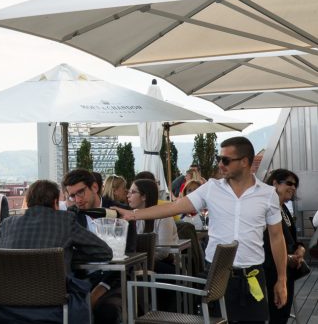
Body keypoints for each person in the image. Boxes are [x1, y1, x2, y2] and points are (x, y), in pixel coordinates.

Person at [113, 136, 288, 324]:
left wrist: (282, 279)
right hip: (217, 273)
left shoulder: (267, 194)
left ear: (245, 162)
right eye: (218, 158)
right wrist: (133, 215)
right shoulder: (211, 188)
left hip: (252, 275)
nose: (220, 164)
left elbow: (277, 238)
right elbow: (174, 207)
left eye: (225, 160)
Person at [0, 180, 112, 323]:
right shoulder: (65, 221)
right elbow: (104, 252)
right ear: (56, 202)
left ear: (28, 202)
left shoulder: (9, 224)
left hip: (3, 309)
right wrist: (68, 253)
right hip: (55, 310)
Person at [62, 169, 136, 324]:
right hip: (82, 280)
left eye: (80, 192)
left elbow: (129, 254)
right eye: (72, 195)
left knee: (105, 311)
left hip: (115, 278)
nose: (77, 200)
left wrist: (101, 287)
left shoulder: (121, 212)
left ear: (94, 187)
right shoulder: (72, 215)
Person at [128, 178, 179, 311]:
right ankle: (138, 312)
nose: (128, 196)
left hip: (166, 266)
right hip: (144, 264)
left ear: (144, 196)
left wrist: (141, 260)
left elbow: (163, 252)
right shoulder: (133, 216)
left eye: (132, 192)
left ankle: (147, 312)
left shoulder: (163, 217)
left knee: (134, 273)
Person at [263, 169, 305, 324]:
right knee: (276, 316)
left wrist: (300, 248)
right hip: (271, 273)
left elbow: (291, 239)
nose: (293, 187)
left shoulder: (284, 209)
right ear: (275, 183)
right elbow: (264, 244)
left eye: (295, 185)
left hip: (286, 272)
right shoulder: (266, 209)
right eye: (289, 183)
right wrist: (287, 257)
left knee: (282, 316)